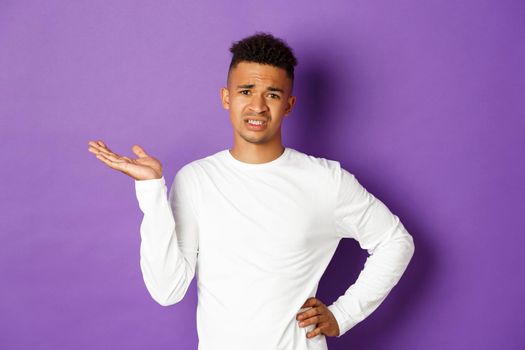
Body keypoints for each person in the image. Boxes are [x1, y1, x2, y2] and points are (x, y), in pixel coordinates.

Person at [87, 32, 415, 350]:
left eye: (272, 94)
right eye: (246, 91)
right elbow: (167, 289)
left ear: (288, 104)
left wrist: (343, 314)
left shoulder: (326, 180)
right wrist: (150, 190)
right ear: (226, 97)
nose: (257, 106)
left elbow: (395, 241)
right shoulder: (197, 180)